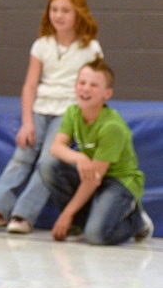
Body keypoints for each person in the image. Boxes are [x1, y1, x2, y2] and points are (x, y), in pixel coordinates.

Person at [0, 0, 103, 234]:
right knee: (22, 155)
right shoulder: (42, 45)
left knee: (48, 160)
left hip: (68, 111)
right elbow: (30, 85)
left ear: (79, 14)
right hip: (41, 109)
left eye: (65, 10)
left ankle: (24, 214)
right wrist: (27, 122)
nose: (59, 15)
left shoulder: (91, 48)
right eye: (54, 10)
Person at [39, 57, 153, 245]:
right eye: (82, 83)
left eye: (93, 85)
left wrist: (65, 215)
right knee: (49, 167)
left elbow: (94, 179)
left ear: (106, 94)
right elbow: (56, 148)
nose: (85, 88)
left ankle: (137, 222)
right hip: (92, 175)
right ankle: (79, 223)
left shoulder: (111, 127)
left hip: (118, 181)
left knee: (97, 236)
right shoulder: (73, 112)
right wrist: (79, 157)